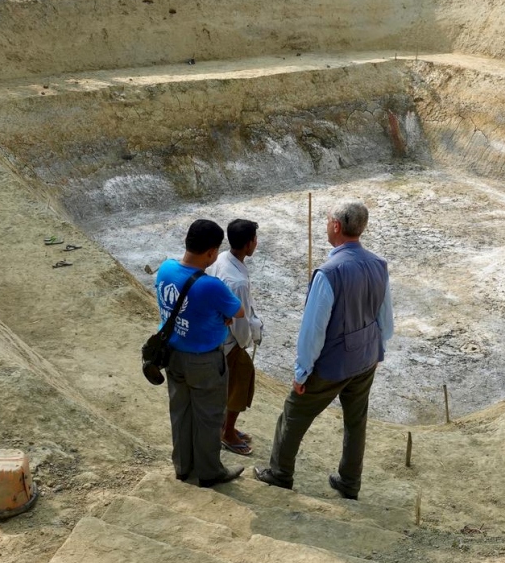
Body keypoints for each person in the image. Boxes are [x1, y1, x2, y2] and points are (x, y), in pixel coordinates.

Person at [254, 200, 394, 500]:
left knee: (293, 413)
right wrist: (378, 349)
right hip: (366, 357)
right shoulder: (379, 265)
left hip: (333, 363)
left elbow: (313, 331)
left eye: (328, 220)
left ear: (336, 226)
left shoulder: (329, 273)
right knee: (356, 421)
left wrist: (302, 372)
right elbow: (386, 318)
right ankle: (349, 482)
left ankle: (280, 473)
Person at [156, 219, 247, 488]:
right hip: (204, 361)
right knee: (208, 417)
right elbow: (238, 311)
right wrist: (221, 317)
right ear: (210, 252)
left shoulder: (165, 269)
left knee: (180, 412)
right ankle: (209, 472)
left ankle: (183, 467)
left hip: (172, 354)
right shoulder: (210, 285)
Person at [206, 219, 264, 457]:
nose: (256, 243)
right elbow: (240, 322)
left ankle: (224, 427)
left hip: (221, 336)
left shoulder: (222, 259)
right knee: (240, 385)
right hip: (230, 342)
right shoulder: (237, 281)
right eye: (255, 239)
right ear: (249, 243)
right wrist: (248, 340)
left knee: (228, 385)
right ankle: (227, 433)